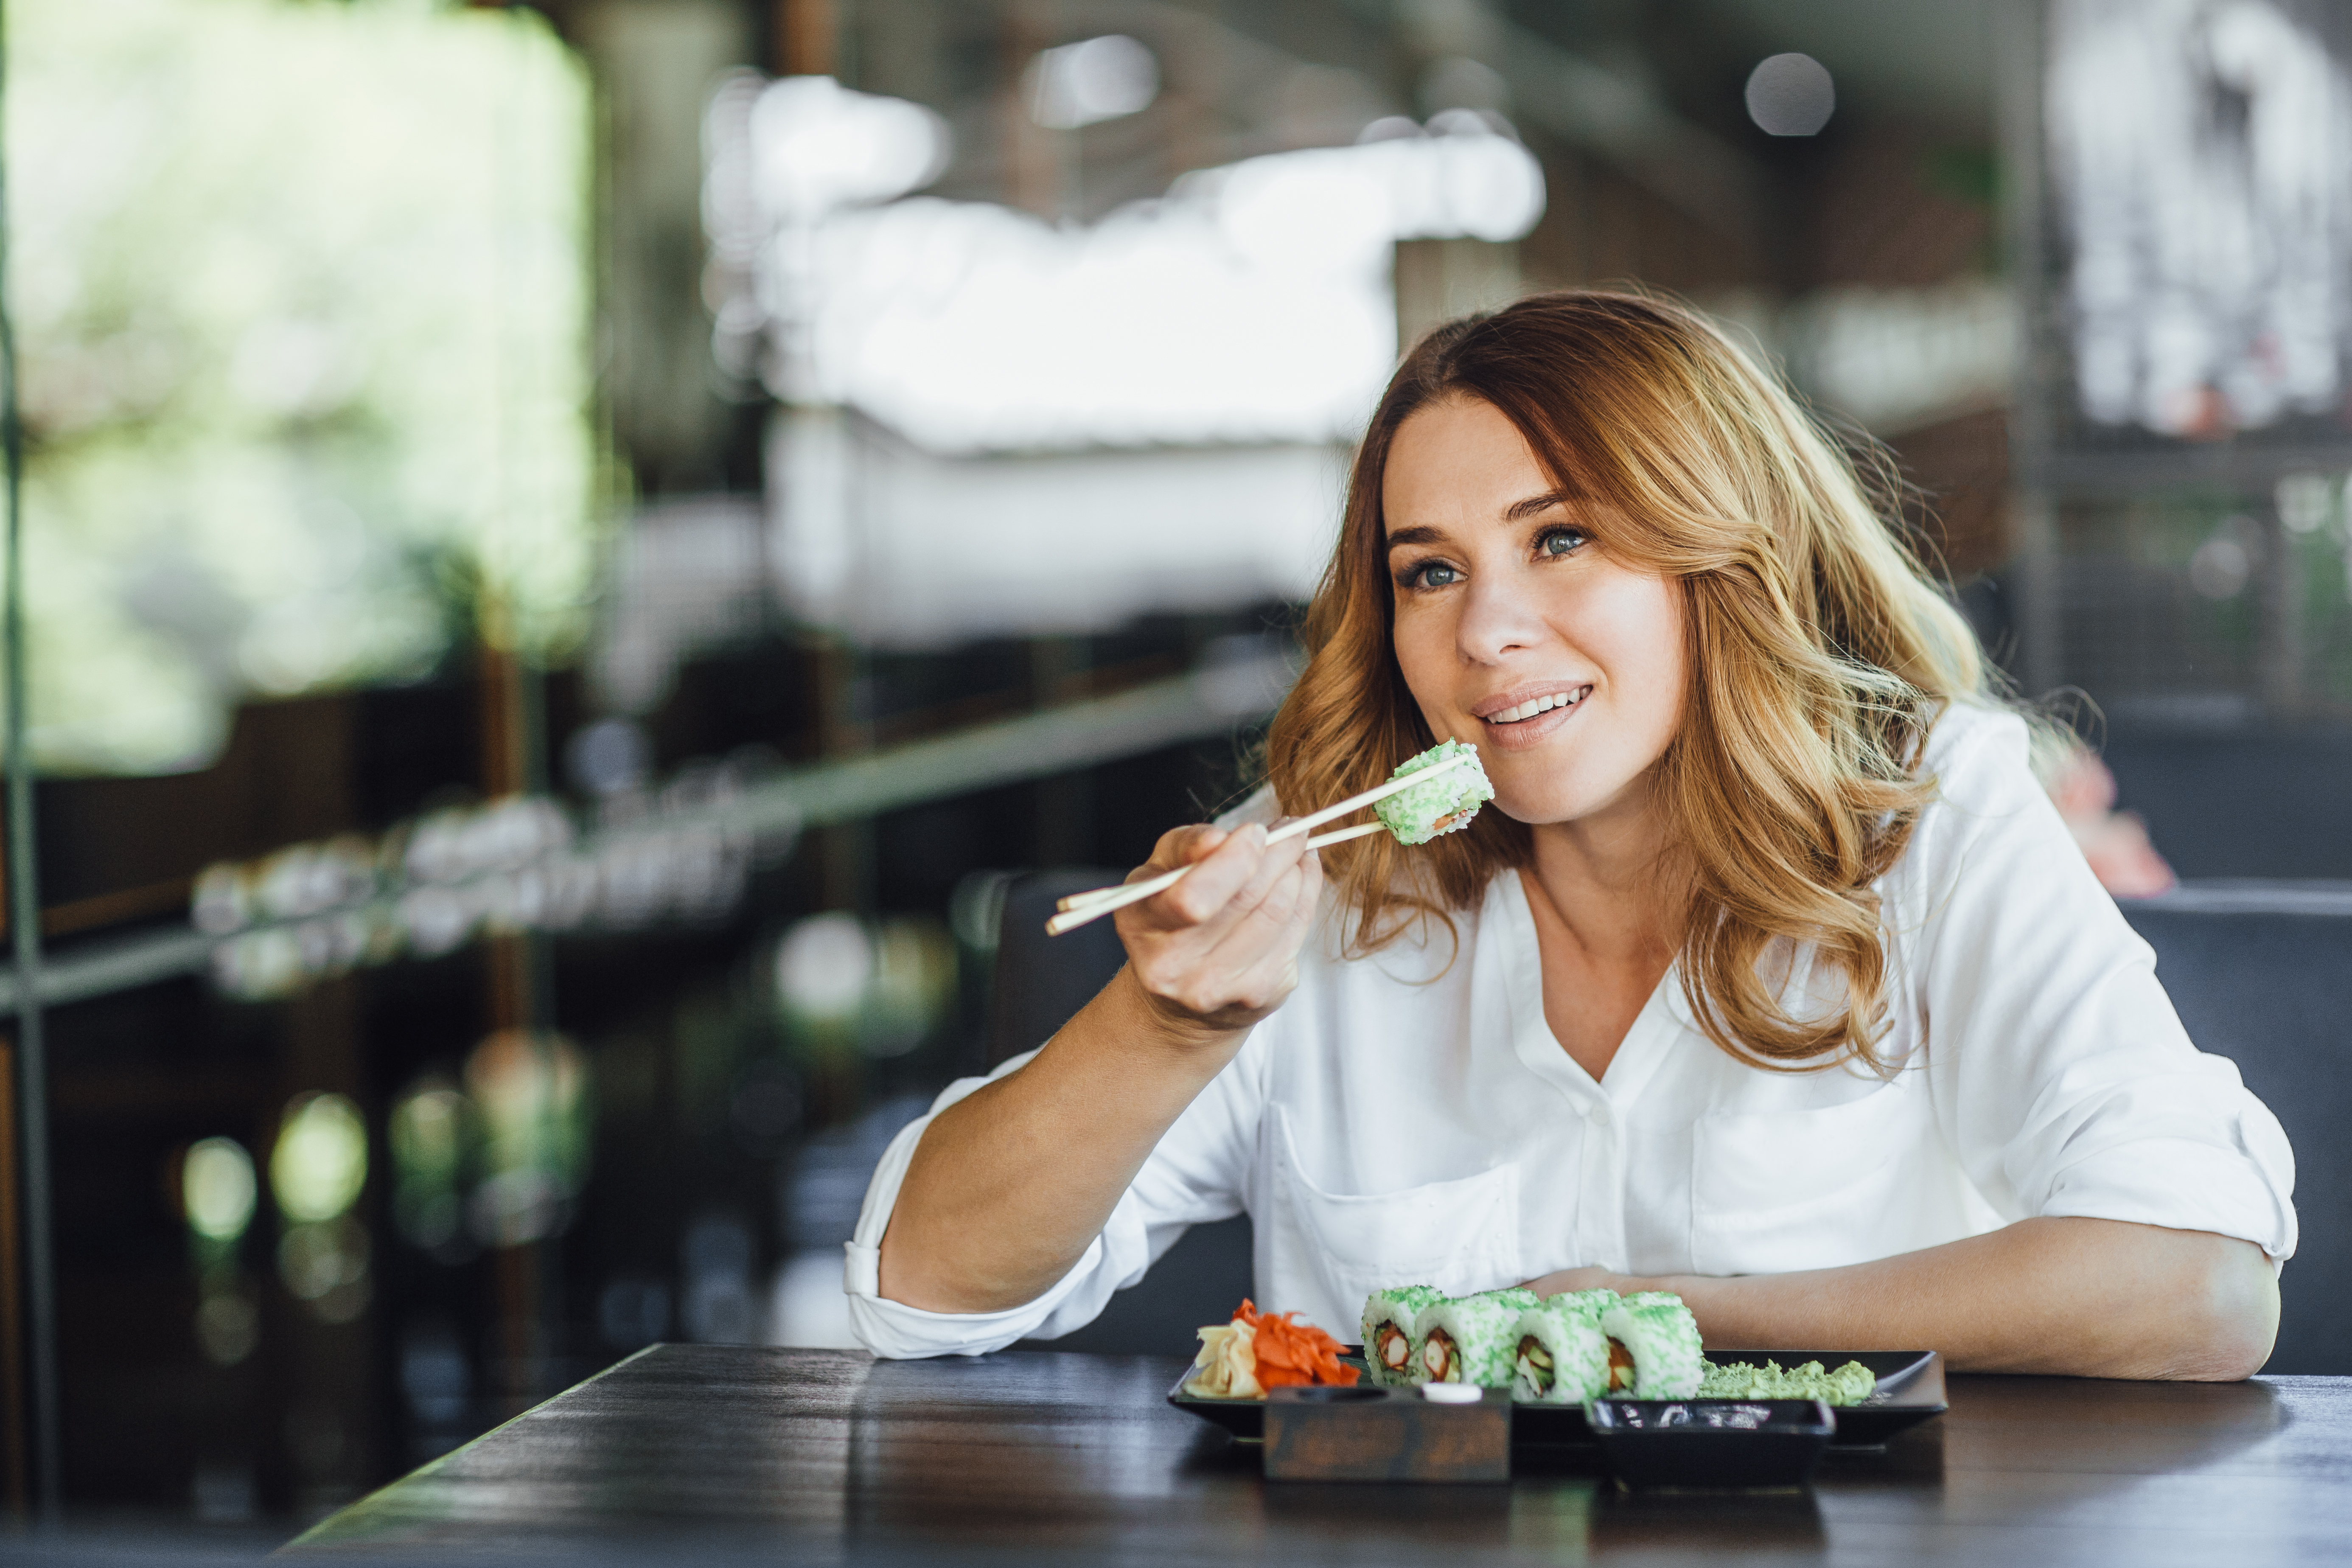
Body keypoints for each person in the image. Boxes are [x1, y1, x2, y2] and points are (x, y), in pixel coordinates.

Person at [845, 291, 2293, 1378]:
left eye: (1562, 539)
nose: (1486, 632)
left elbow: (2199, 1287)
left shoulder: (1930, 819)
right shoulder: (1320, 866)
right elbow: (915, 1286)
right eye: (1429, 572)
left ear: (1719, 560)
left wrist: (1655, 1317)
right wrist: (1163, 1028)